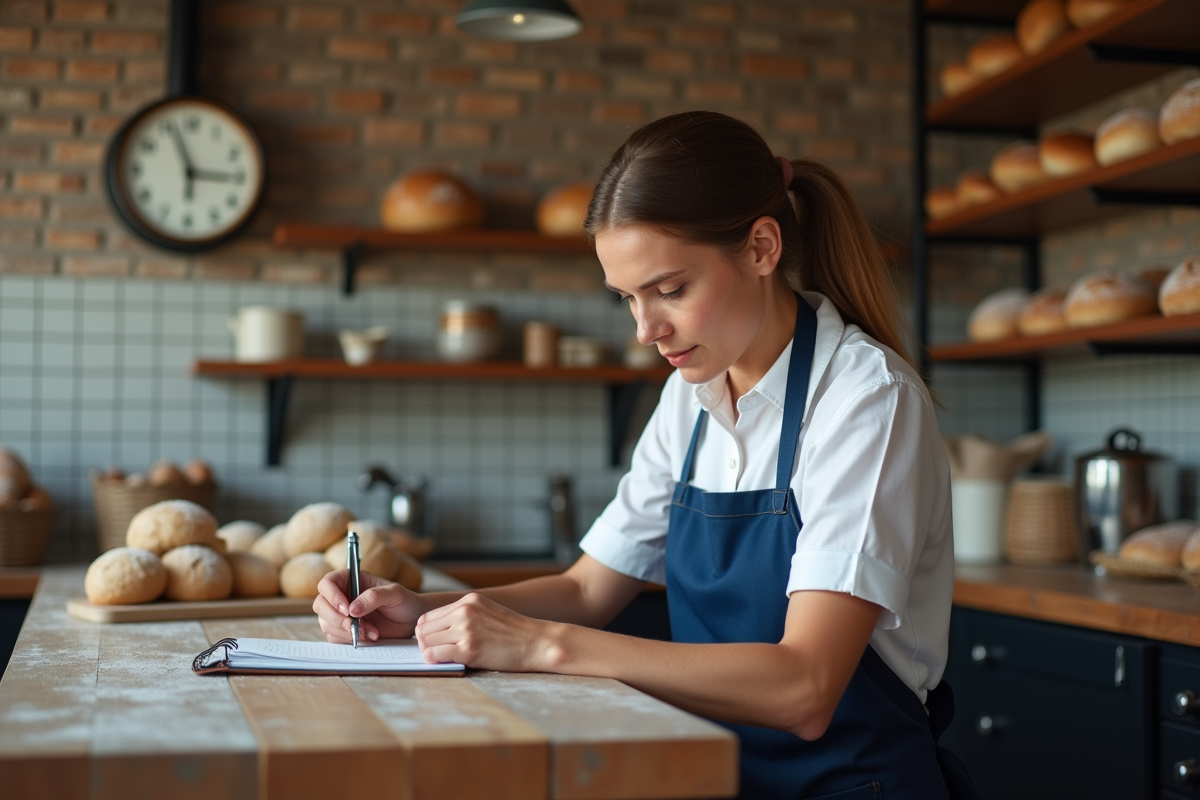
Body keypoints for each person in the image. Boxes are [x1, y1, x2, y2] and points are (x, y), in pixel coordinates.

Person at [314, 111, 978, 800]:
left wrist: (544, 646)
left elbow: (804, 687)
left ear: (760, 247)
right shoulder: (688, 399)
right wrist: (421, 612)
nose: (646, 330)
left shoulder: (866, 400)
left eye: (671, 290)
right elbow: (585, 590)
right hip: (712, 779)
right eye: (628, 299)